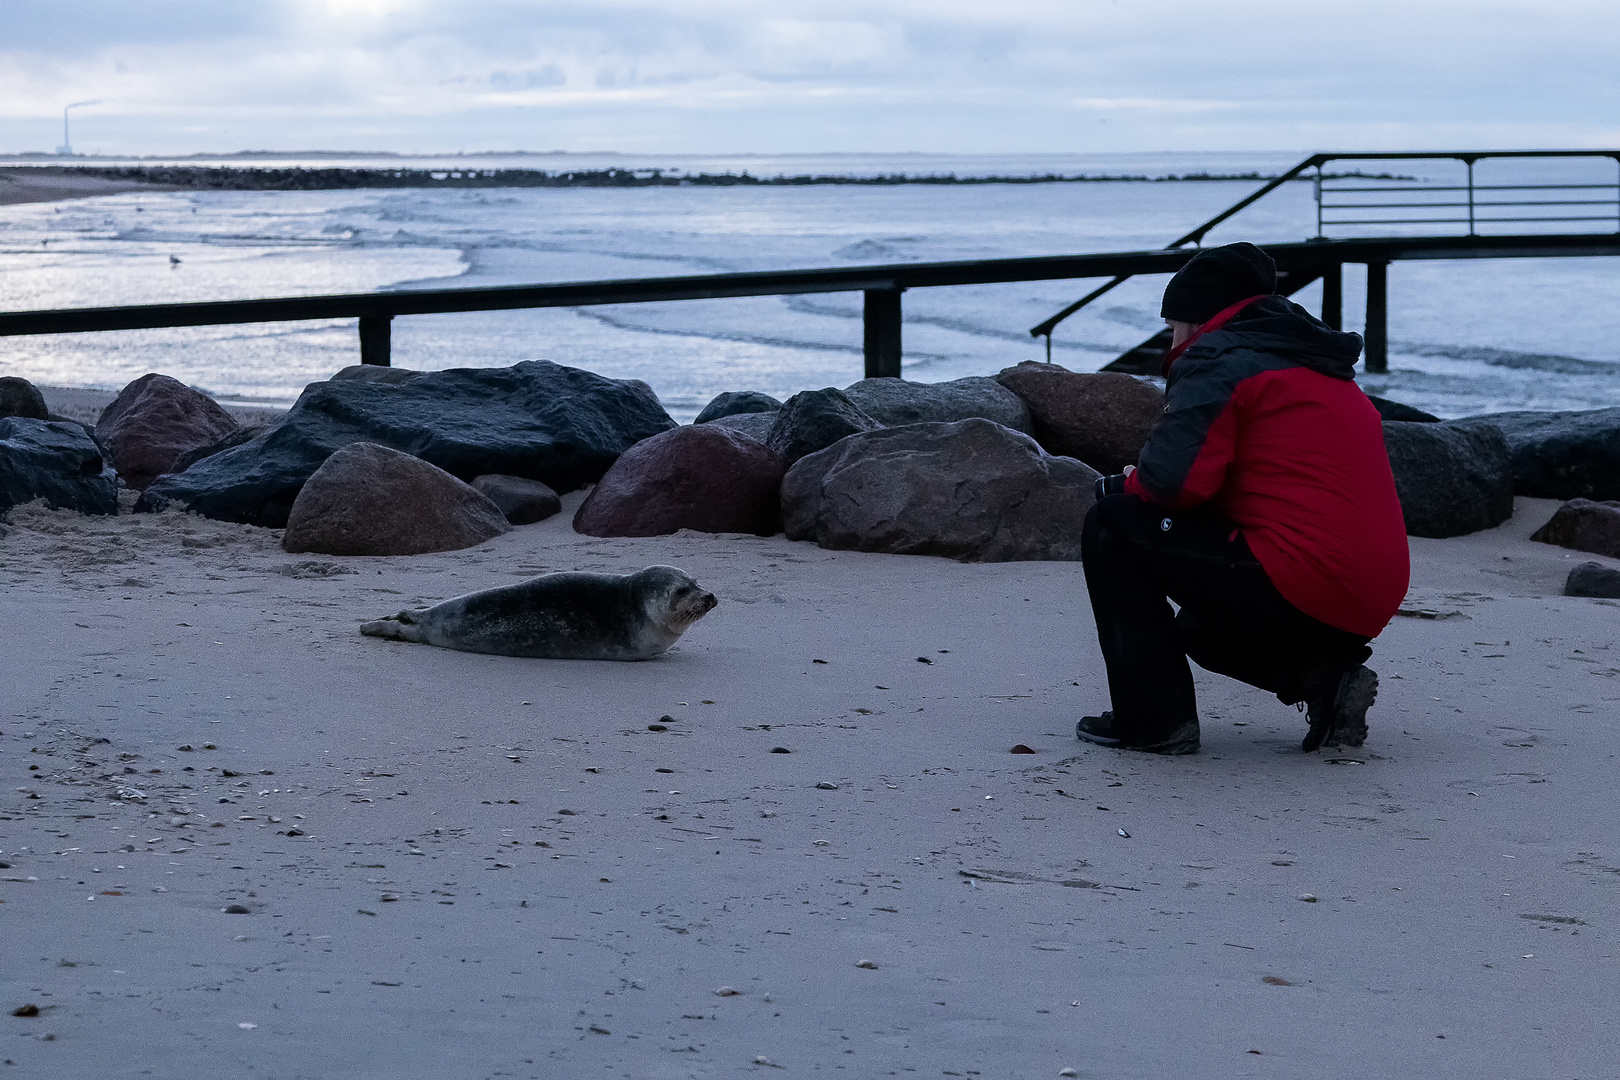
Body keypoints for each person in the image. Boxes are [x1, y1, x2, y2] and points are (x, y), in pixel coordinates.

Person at [1078, 242, 1409, 755]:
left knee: (1111, 521)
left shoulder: (1219, 359)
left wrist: (1127, 486)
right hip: (1368, 591)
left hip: (1306, 577)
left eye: (1172, 326)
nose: (1171, 338)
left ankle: (1153, 723)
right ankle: (1324, 679)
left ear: (1194, 319)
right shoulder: (1313, 362)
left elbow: (1174, 483)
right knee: (1199, 629)